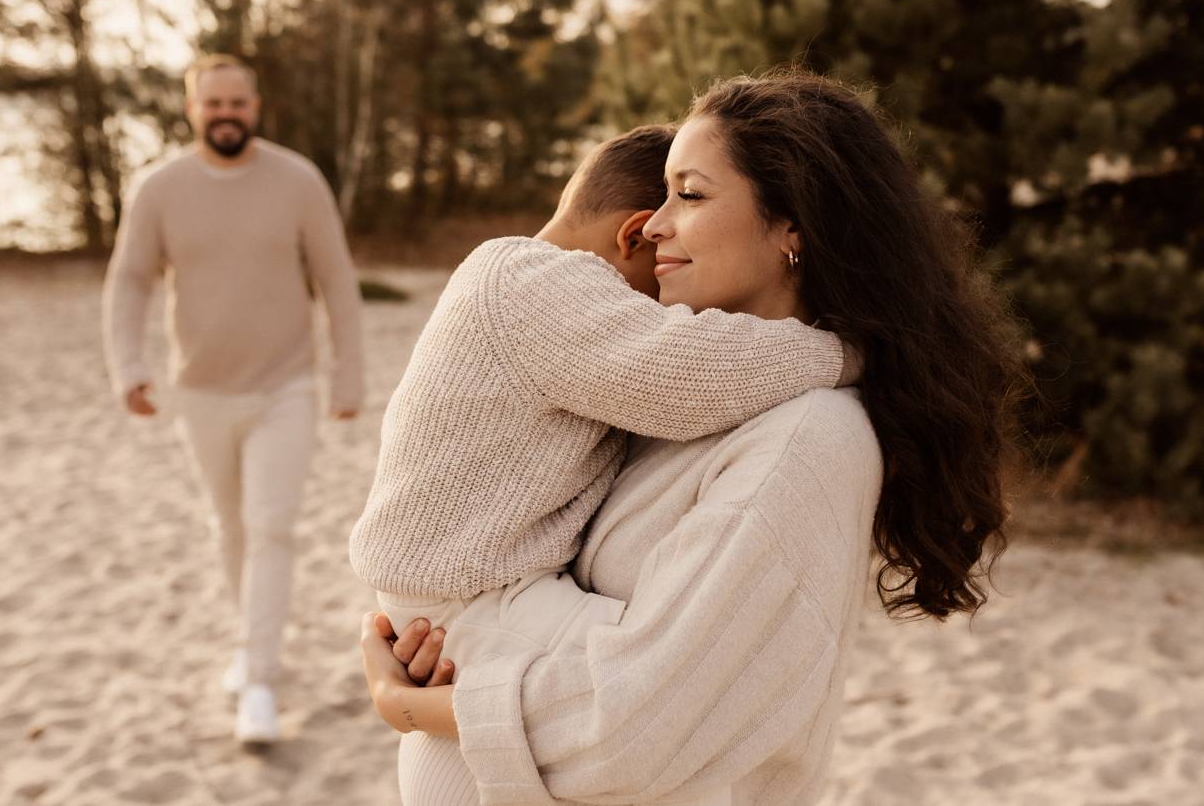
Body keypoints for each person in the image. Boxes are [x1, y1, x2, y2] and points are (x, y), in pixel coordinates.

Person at [359, 69, 1028, 804]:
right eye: (661, 196)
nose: (653, 226)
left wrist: (409, 705)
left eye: (692, 193)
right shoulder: (661, 389)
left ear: (792, 225)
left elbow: (632, 715)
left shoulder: (806, 435)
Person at [347, 123, 860, 735]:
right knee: (648, 684)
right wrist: (843, 354)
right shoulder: (536, 284)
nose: (670, 305)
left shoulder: (517, 283)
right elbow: (686, 371)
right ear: (633, 235)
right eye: (659, 278)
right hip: (471, 597)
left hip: (462, 592)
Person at [103, 53, 365, 746]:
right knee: (233, 530)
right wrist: (127, 363)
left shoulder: (298, 180)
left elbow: (337, 280)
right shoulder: (159, 188)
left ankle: (259, 679)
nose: (225, 114)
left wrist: (349, 371)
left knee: (272, 526)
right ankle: (252, 643)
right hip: (201, 391)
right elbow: (129, 280)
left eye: (236, 103)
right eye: (211, 103)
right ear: (192, 109)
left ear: (255, 105)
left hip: (287, 384)